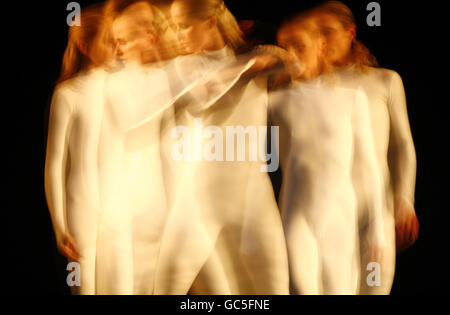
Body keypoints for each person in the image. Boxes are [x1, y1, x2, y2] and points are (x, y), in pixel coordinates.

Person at [153, 0, 289, 294]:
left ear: (210, 22)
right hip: (201, 194)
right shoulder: (180, 67)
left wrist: (272, 57)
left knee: (271, 290)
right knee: (167, 287)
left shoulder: (255, 59)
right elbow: (205, 99)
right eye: (174, 27)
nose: (177, 35)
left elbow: (294, 65)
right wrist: (248, 67)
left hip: (253, 194)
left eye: (184, 26)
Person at [269, 11, 385, 294]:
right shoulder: (274, 101)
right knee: (300, 288)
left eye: (299, 46)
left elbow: (370, 166)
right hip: (296, 215)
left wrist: (377, 228)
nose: (291, 55)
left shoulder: (352, 99)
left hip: (339, 216)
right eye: (285, 48)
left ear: (320, 46)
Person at [312, 1, 418, 294]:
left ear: (351, 32)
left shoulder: (385, 80)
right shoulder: (301, 88)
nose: (320, 41)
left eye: (328, 32)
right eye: (314, 34)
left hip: (375, 214)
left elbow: (402, 144)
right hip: (323, 214)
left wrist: (404, 200)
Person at [44, 2, 114, 295]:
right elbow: (55, 163)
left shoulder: (125, 86)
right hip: (83, 208)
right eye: (108, 41)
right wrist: (60, 227)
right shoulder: (68, 94)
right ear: (85, 46)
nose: (116, 48)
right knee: (85, 289)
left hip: (121, 207)